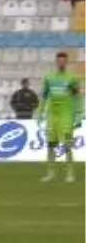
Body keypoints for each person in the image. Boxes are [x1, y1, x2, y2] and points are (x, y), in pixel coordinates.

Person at [38, 52, 81, 184]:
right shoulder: (49, 77)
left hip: (66, 115)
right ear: (56, 62)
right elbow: (44, 96)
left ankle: (70, 173)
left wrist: (79, 115)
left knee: (67, 145)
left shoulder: (72, 78)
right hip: (52, 115)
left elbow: (77, 97)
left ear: (66, 62)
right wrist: (40, 112)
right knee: (51, 145)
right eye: (59, 61)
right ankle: (50, 173)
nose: (61, 63)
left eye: (64, 61)